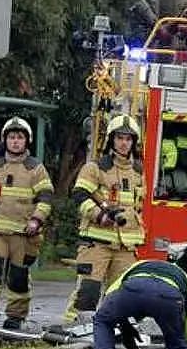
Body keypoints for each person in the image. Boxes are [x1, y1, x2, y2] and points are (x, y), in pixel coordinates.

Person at [61, 114, 145, 325]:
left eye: (128, 138)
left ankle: (110, 332)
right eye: (119, 138)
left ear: (134, 142)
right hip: (95, 243)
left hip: (125, 246)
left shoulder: (138, 172)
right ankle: (73, 329)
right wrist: (99, 215)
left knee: (121, 295)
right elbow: (79, 195)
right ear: (111, 140)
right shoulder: (95, 168)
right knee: (87, 290)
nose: (124, 143)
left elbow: (140, 207)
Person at [0, 117, 55, 330]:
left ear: (27, 141)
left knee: (18, 279)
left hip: (23, 235)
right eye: (12, 137)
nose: (15, 141)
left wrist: (36, 220)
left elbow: (46, 198)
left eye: (20, 137)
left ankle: (15, 318)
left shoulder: (36, 168)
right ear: (5, 140)